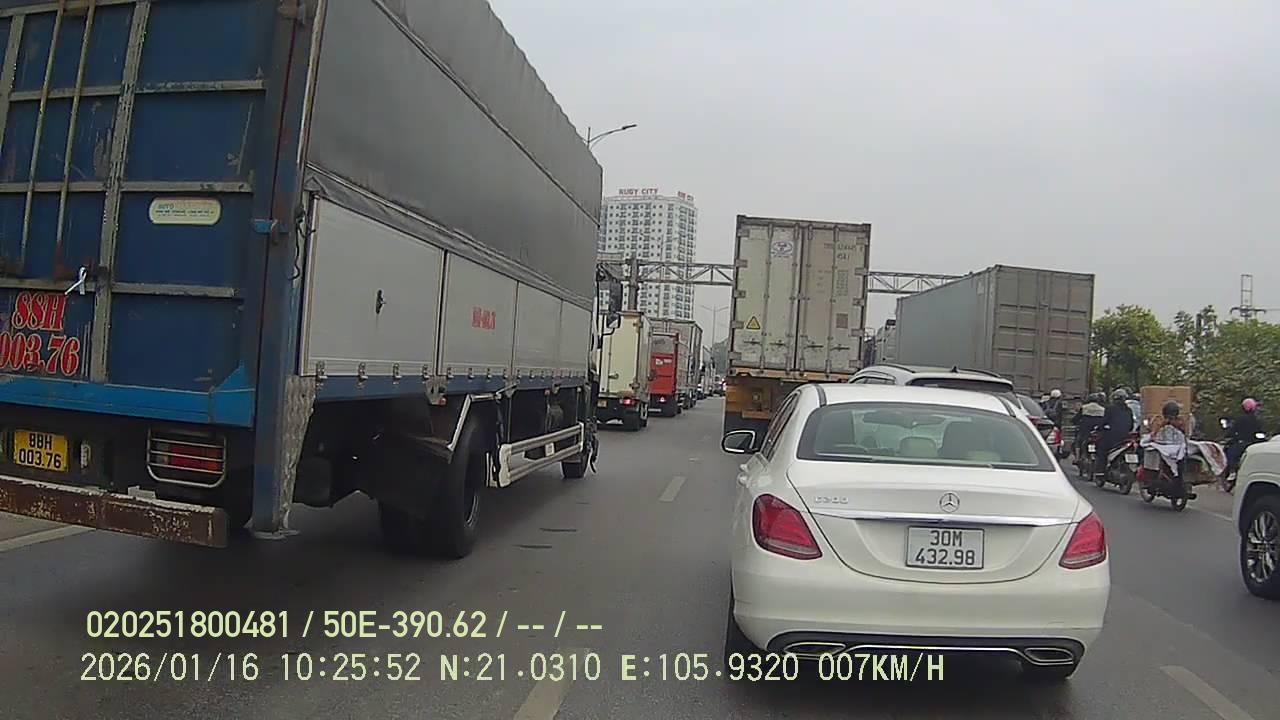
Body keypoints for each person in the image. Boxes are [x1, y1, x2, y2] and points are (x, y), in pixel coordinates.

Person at [1225, 397, 1263, 475]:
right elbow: (1260, 431)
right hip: (1255, 442)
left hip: (1243, 442)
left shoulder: (1241, 419)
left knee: (1230, 454)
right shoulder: (1257, 419)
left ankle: (1232, 471)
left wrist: (1228, 435)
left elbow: (1232, 431)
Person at [1098, 389, 1135, 463]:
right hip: (1125, 437)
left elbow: (1104, 421)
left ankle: (1101, 467)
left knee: (1101, 449)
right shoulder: (1128, 410)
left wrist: (1100, 427)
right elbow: (1131, 425)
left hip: (1112, 437)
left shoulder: (1110, 408)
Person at [1072, 392, 1107, 459]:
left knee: (1078, 442)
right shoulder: (1102, 409)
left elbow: (1077, 418)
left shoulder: (1084, 407)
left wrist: (1074, 421)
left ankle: (1077, 457)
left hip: (1085, 430)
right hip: (1097, 430)